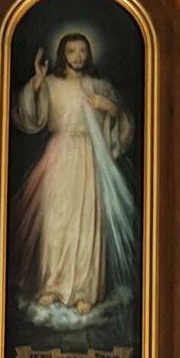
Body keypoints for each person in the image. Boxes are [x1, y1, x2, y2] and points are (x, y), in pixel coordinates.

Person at [12, 32, 135, 315]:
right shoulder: (51, 83)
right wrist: (37, 81)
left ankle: (84, 290)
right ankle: (52, 285)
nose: (77, 57)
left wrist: (109, 107)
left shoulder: (99, 85)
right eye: (71, 51)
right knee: (56, 221)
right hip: (59, 154)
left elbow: (123, 122)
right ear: (62, 55)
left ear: (88, 53)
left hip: (89, 156)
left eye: (82, 51)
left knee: (86, 222)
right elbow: (30, 116)